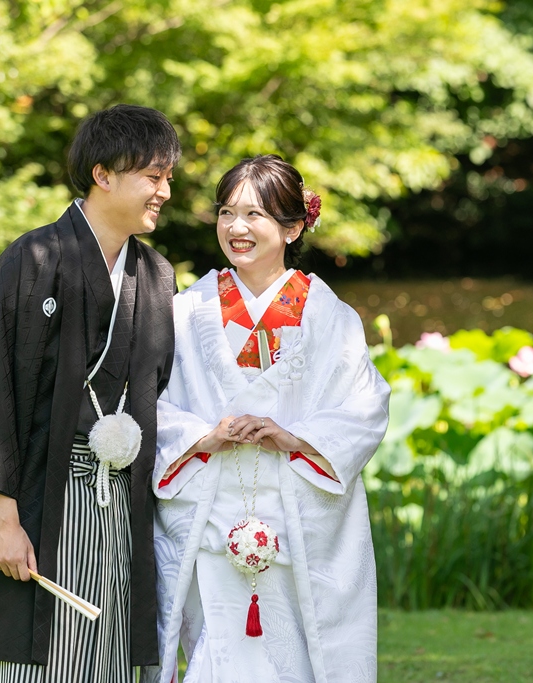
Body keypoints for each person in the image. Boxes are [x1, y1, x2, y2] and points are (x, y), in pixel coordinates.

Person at [0, 104, 180, 683]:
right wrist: (2, 514)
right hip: (36, 498)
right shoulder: (35, 258)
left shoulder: (157, 276)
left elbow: (163, 392)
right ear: (103, 174)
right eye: (154, 176)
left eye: (168, 177)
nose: (165, 191)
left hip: (115, 502)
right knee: (22, 658)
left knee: (105, 651)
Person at [150, 155, 390, 683]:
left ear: (293, 225)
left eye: (254, 215)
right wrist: (201, 437)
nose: (236, 228)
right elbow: (153, 401)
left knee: (298, 656)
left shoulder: (331, 318)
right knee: (219, 649)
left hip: (297, 515)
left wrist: (295, 437)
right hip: (212, 510)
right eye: (227, 212)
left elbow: (365, 407)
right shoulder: (185, 311)